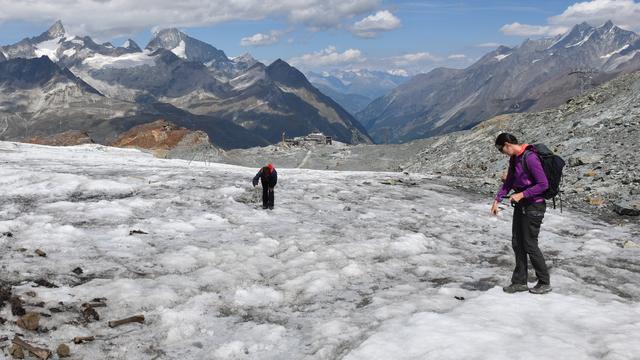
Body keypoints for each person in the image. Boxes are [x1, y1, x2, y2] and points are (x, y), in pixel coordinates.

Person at [490, 133, 552, 295]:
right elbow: (509, 181)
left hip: (534, 206)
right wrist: (497, 199)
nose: (501, 153)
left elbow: (543, 184)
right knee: (517, 242)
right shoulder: (514, 159)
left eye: (500, 149)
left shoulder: (530, 158)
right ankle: (519, 282)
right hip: (521, 206)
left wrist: (521, 195)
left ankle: (544, 282)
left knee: (530, 244)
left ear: (507, 144)